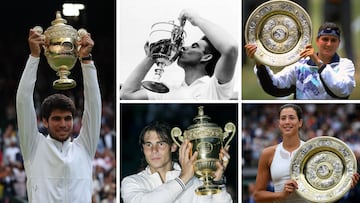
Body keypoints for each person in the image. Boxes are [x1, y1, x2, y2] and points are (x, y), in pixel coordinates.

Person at [16, 28, 101, 202]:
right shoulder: (33, 147)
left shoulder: (85, 148)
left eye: (67, 118)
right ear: (44, 121)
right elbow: (23, 100)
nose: (63, 124)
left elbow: (94, 105)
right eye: (56, 118)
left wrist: (86, 60)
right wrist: (34, 57)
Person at [120, 9, 238, 100]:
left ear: (206, 57)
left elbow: (230, 48)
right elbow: (127, 94)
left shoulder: (215, 87)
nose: (184, 47)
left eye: (194, 46)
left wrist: (196, 19)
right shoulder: (168, 90)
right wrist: (152, 57)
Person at [253, 104, 360, 203]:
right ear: (279, 123)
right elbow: (257, 196)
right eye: (283, 118)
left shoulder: (313, 151)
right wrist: (281, 195)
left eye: (291, 117)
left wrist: (344, 186)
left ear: (300, 122)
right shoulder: (268, 153)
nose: (287, 122)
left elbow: (326, 191)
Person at [121, 121, 233, 203]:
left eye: (161, 144)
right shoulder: (131, 182)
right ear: (143, 149)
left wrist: (218, 182)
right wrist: (183, 178)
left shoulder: (196, 182)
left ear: (173, 146)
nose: (154, 150)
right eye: (148, 144)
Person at [244, 22, 355, 99]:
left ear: (339, 43)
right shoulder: (301, 64)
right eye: (325, 39)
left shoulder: (346, 65)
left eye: (333, 40)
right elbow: (275, 85)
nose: (329, 44)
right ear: (317, 40)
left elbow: (342, 90)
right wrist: (259, 61)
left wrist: (317, 61)